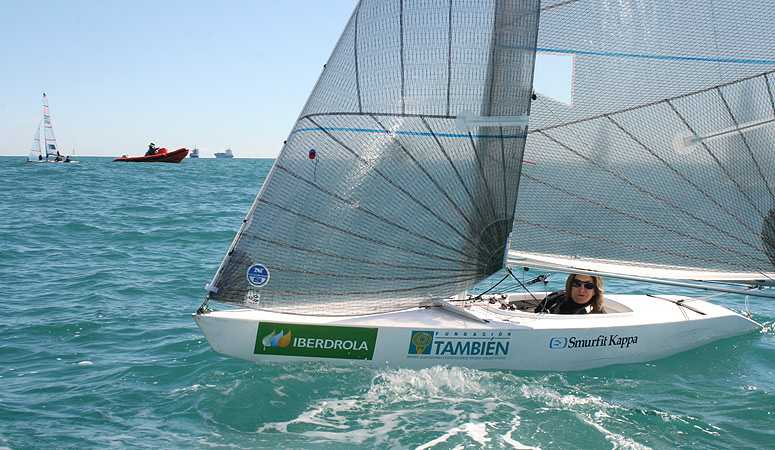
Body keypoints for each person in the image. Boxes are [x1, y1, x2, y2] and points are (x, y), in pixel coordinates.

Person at [534, 273, 605, 314]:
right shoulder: (553, 300)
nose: (582, 289)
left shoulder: (601, 318)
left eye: (589, 285)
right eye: (577, 283)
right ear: (570, 286)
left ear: (595, 291)